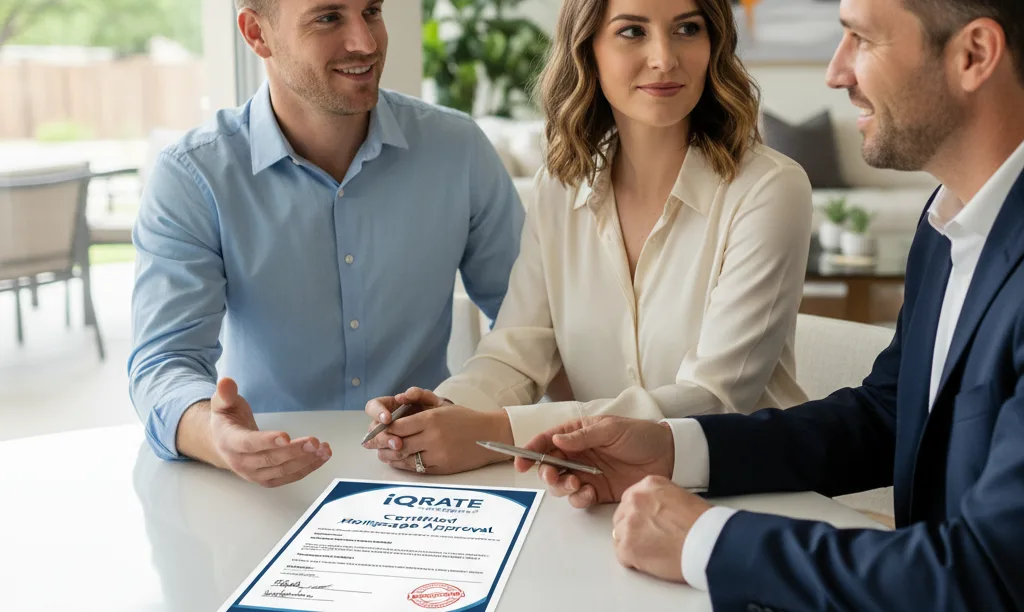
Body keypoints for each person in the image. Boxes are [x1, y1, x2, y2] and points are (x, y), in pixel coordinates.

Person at [517, 0, 1024, 608]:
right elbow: (889, 417)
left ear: (973, 55)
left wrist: (705, 539)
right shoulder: (950, 222)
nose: (836, 73)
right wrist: (676, 448)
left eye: (862, 40)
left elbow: (988, 575)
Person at [363, 0, 813, 475]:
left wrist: (492, 433)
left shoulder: (769, 189)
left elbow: (715, 398)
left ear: (714, 43)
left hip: (749, 490)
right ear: (587, 51)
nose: (664, 57)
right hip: (600, 488)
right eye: (632, 32)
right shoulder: (559, 188)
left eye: (687, 28)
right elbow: (515, 352)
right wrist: (443, 411)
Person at [127, 0, 523, 488]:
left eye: (372, 11)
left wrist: (474, 412)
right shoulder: (195, 176)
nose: (366, 42)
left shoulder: (457, 149)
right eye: (329, 17)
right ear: (257, 34)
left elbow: (527, 323)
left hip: (431, 476)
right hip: (267, 484)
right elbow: (165, 361)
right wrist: (217, 436)